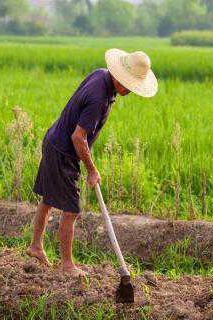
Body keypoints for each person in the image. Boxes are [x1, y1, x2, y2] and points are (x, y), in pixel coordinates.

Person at [25, 48, 158, 276]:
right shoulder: (99, 98)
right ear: (120, 77)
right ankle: (67, 266)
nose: (130, 91)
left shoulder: (100, 74)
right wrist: (91, 170)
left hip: (54, 140)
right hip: (63, 152)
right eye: (129, 86)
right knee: (72, 210)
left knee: (48, 198)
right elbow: (78, 137)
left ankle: (36, 246)